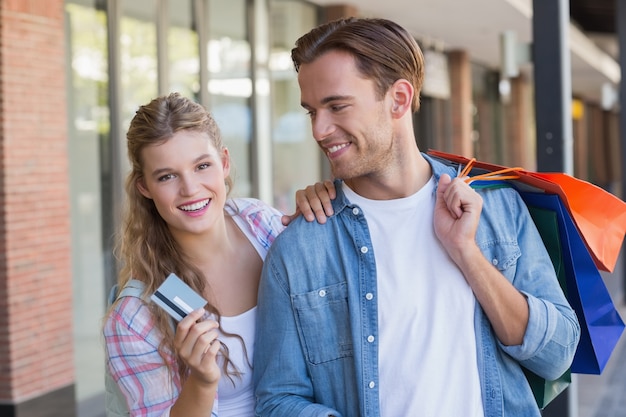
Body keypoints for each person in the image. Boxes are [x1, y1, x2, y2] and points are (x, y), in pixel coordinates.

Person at [253, 17, 581, 417]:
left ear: (399, 99)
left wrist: (467, 253)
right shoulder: (300, 248)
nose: (320, 130)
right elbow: (277, 399)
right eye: (311, 112)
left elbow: (558, 354)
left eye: (337, 106)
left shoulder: (497, 208)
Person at [103, 92, 331, 417]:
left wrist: (322, 213)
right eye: (167, 176)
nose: (190, 189)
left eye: (202, 166)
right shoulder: (136, 317)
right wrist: (202, 380)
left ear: (224, 162)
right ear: (144, 187)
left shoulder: (261, 224)